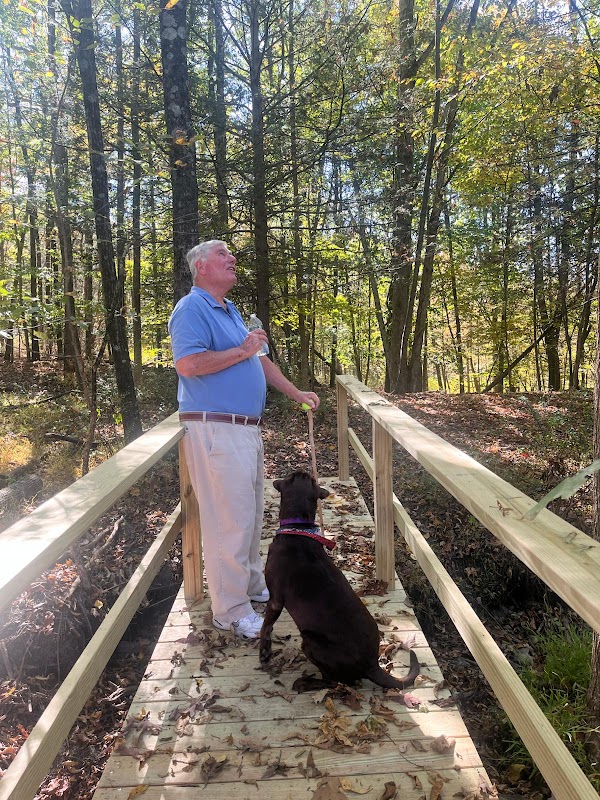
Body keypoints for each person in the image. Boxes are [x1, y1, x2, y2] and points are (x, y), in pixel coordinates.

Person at [168, 240, 320, 639]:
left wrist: (296, 394)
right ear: (201, 266)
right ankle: (231, 610)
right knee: (228, 522)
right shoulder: (192, 308)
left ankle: (252, 587)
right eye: (222, 254)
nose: (232, 258)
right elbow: (188, 364)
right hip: (216, 428)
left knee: (249, 517)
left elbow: (259, 359)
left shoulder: (230, 310)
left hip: (244, 428)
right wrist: (243, 349)